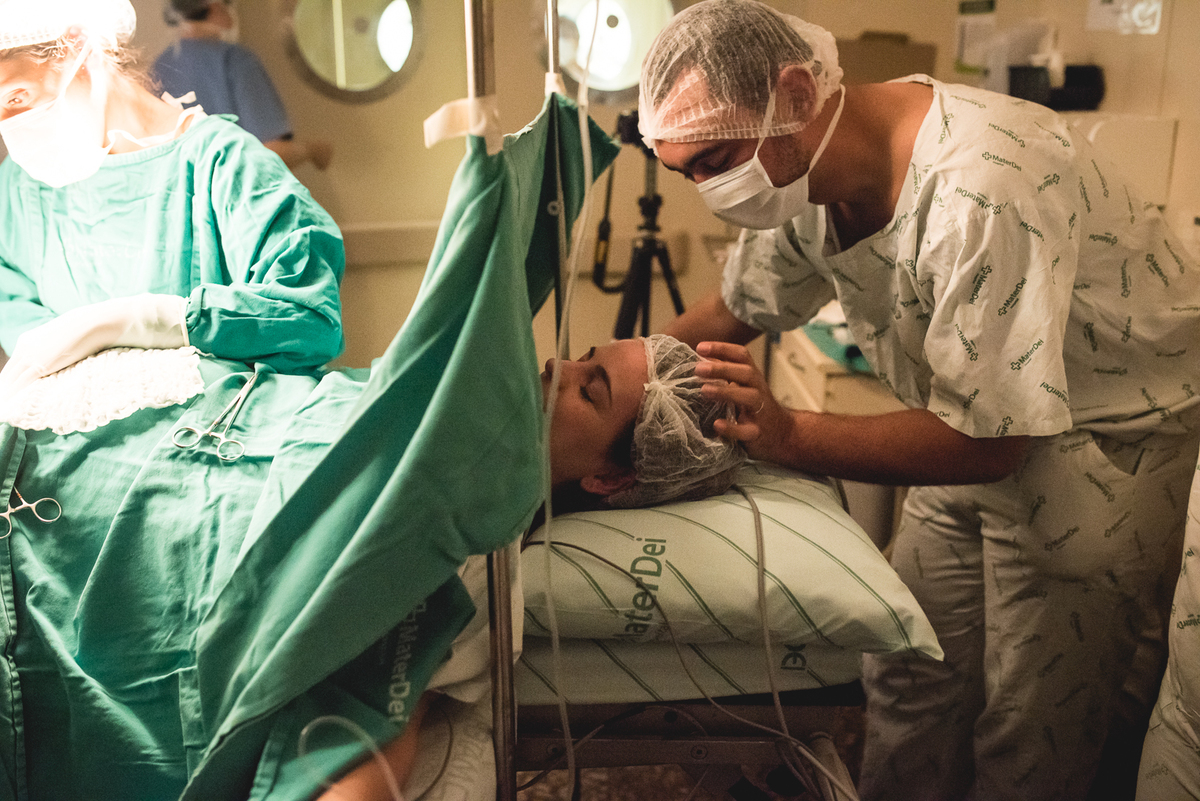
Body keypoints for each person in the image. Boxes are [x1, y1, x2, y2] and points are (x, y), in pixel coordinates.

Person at [637, 1, 1200, 799]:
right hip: (962, 419)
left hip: (1102, 445)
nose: (708, 189)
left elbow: (992, 444)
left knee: (1028, 732)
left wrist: (788, 432)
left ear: (795, 93)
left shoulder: (982, 185)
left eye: (715, 159)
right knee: (907, 674)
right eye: (685, 171)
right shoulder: (805, 174)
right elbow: (739, 305)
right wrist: (628, 371)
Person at [152, 0, 333, 172]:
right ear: (215, 8)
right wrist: (312, 150)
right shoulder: (235, 62)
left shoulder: (159, 69)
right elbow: (269, 154)